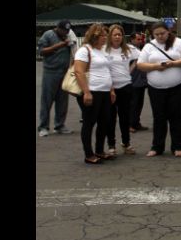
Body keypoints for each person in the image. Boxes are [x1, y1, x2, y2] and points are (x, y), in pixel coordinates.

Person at [136, 22, 181, 157]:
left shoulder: (179, 42)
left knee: (176, 116)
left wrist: (173, 63)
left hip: (178, 85)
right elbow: (140, 64)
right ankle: (157, 147)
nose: (160, 36)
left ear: (168, 31)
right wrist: (156, 67)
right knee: (159, 117)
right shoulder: (149, 46)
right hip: (155, 88)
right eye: (156, 34)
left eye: (162, 33)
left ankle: (178, 146)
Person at [73, 24, 116, 164]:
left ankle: (99, 150)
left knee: (104, 122)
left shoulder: (103, 51)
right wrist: (86, 92)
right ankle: (88, 154)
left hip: (104, 92)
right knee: (89, 123)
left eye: (105, 35)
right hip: (92, 91)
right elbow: (79, 72)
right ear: (93, 36)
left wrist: (111, 90)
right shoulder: (84, 50)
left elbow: (108, 71)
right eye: (101, 36)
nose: (105, 38)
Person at [104, 24, 139, 156]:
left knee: (125, 117)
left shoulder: (128, 49)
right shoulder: (104, 50)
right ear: (110, 36)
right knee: (110, 118)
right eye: (115, 34)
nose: (117, 37)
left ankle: (126, 143)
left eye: (120, 34)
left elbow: (140, 58)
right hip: (109, 88)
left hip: (125, 87)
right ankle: (111, 145)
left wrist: (130, 69)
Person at [37, 19, 76, 137]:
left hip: (64, 72)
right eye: (63, 30)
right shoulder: (48, 35)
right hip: (51, 72)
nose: (65, 32)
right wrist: (58, 45)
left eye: (67, 30)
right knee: (47, 100)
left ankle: (59, 125)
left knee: (62, 100)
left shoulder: (68, 36)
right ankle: (43, 127)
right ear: (57, 28)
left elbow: (73, 51)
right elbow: (41, 51)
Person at [128, 33, 149, 133]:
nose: (140, 41)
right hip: (133, 81)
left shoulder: (138, 50)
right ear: (132, 39)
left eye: (141, 39)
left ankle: (136, 123)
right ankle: (131, 124)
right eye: (138, 39)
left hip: (140, 81)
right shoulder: (129, 50)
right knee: (134, 104)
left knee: (139, 103)